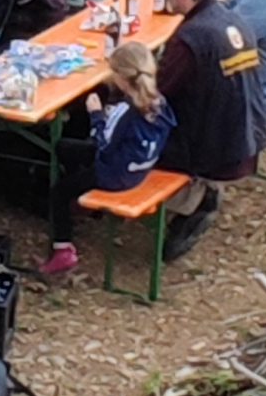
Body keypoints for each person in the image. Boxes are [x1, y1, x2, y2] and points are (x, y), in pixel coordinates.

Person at [151, 0, 266, 262]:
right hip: (247, 139)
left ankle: (194, 200)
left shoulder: (190, 39)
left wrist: (120, 85)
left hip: (212, 152)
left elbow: (155, 95)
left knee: (118, 138)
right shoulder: (233, 20)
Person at [35, 41, 176, 278]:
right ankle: (81, 203)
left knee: (60, 191)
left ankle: (63, 248)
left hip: (116, 174)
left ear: (120, 78)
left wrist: (96, 114)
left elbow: (101, 141)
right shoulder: (158, 102)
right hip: (140, 163)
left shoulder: (125, 111)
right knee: (66, 147)